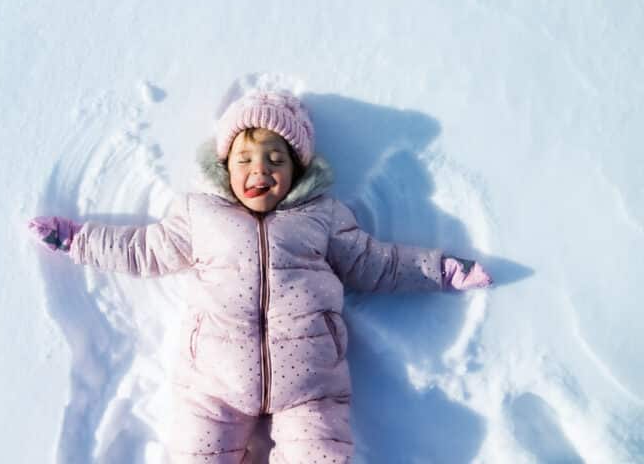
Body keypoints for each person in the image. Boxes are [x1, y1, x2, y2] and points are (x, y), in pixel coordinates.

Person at [28, 90, 492, 463]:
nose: (260, 171)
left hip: (310, 387)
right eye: (245, 160)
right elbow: (143, 249)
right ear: (225, 166)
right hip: (214, 383)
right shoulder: (201, 215)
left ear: (296, 170)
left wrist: (442, 270)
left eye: (276, 160)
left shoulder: (323, 217)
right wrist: (76, 240)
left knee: (321, 454)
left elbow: (376, 262)